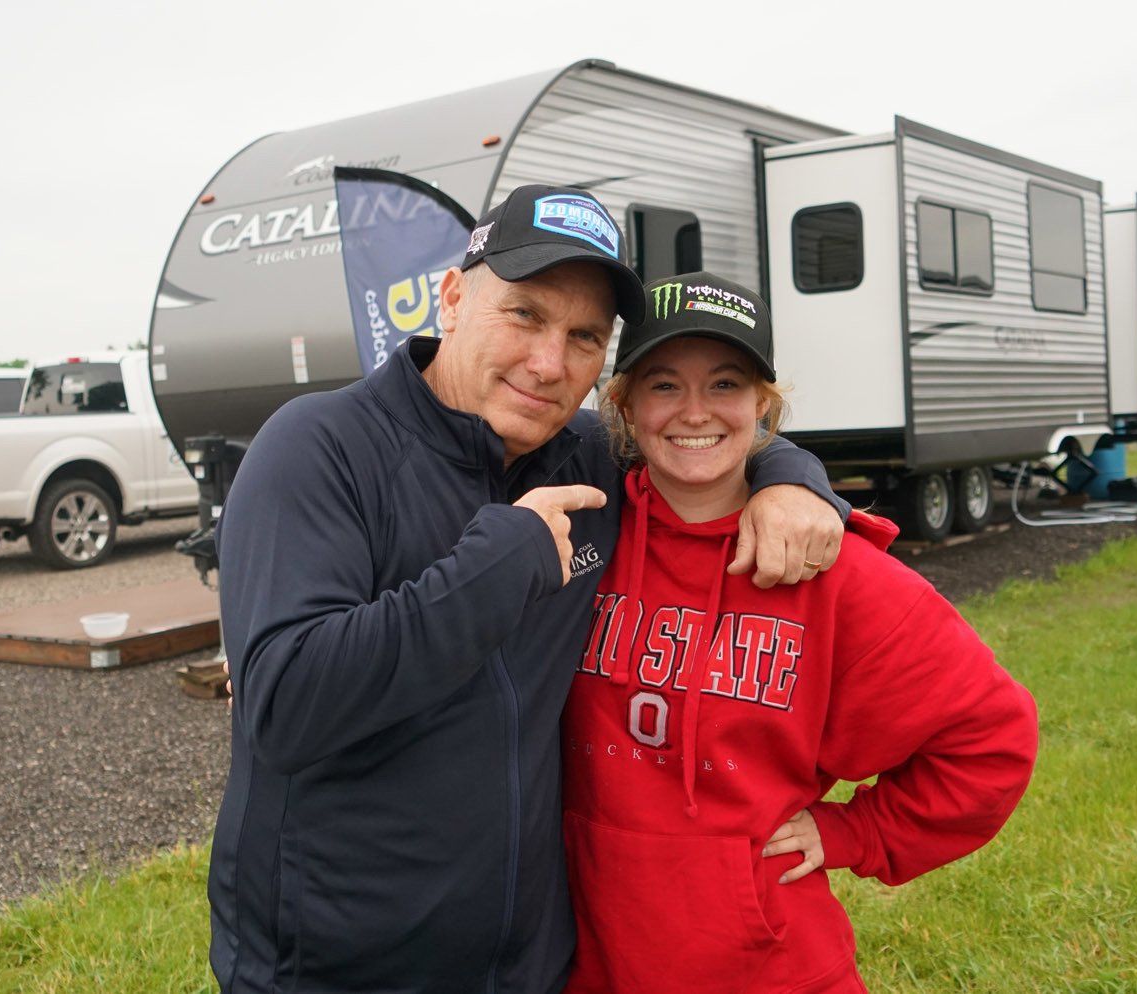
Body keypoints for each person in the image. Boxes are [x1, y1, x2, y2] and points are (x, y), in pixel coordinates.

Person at [209, 187, 851, 994]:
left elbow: (699, 434)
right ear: (452, 298)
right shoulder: (318, 447)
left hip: (530, 964)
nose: (551, 364)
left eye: (585, 336)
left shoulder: (585, 451)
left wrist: (791, 477)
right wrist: (500, 562)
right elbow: (287, 706)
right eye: (523, 315)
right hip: (339, 964)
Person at [560, 272, 1039, 994]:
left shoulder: (833, 570)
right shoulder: (579, 536)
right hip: (583, 964)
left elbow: (991, 739)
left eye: (725, 384)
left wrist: (856, 832)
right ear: (623, 405)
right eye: (664, 385)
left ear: (763, 405)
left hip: (768, 967)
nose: (694, 411)